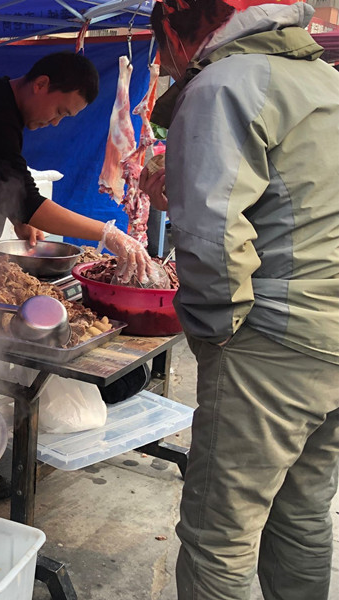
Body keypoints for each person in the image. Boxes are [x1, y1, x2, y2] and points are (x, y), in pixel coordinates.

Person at [138, 1, 339, 599]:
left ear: (178, 29)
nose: (166, 66)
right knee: (302, 517)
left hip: (276, 345)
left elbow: (211, 240)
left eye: (162, 49)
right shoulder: (325, 80)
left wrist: (215, 338)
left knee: (218, 542)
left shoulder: (224, 83)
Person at [0, 52, 157, 287]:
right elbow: (29, 201)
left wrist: (18, 218)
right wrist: (108, 233)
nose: (55, 122)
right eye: (59, 111)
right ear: (41, 84)